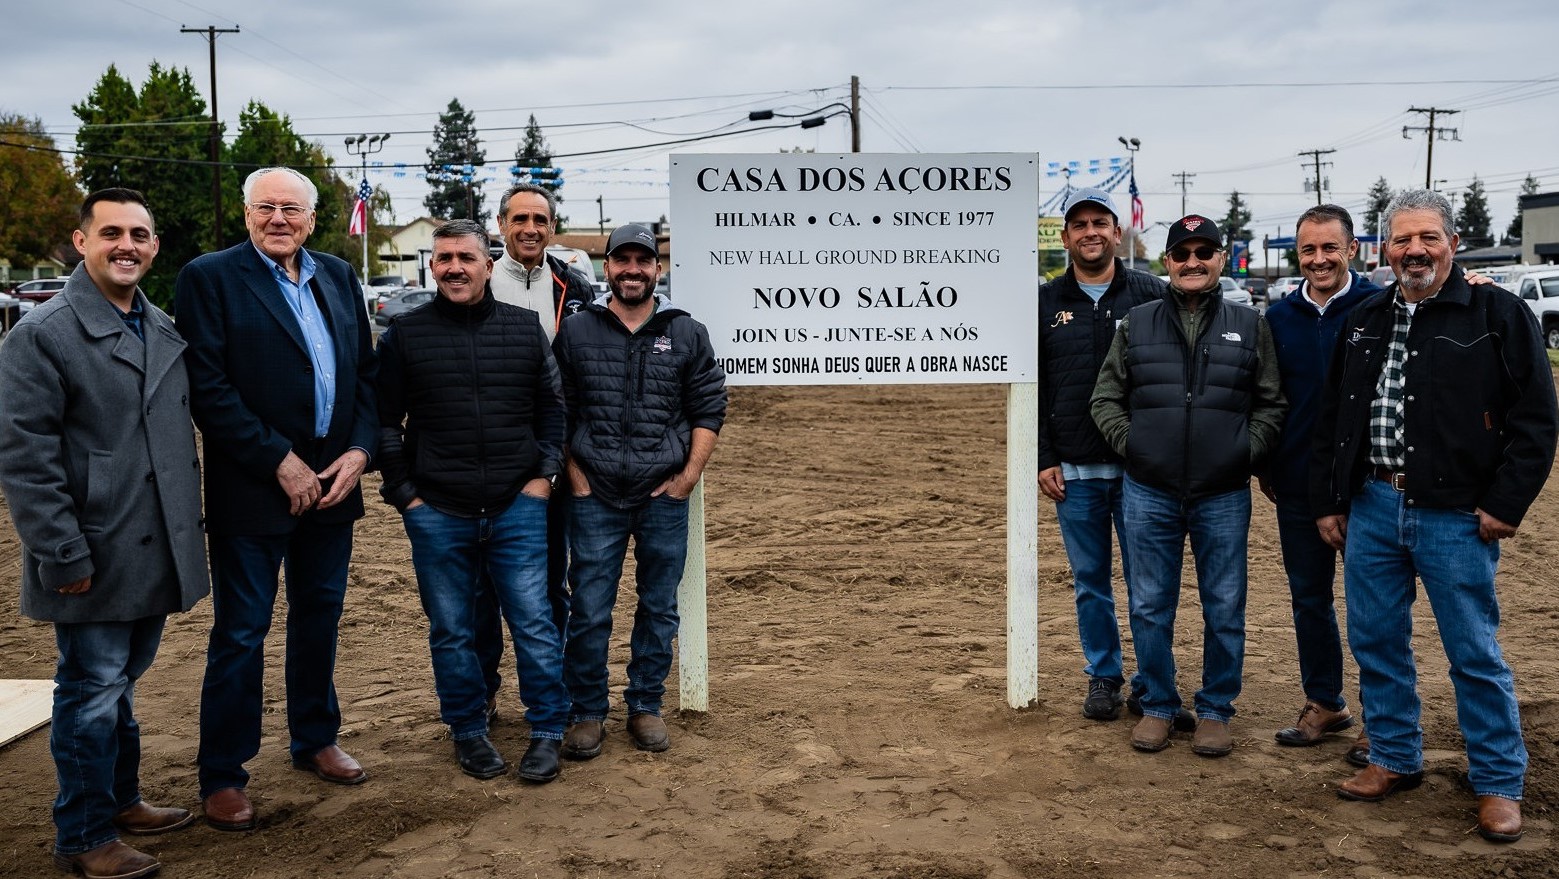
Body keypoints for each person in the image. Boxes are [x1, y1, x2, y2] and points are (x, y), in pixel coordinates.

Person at [1311, 189, 1558, 842]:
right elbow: (1340, 414)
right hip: (1372, 505)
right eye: (1401, 239)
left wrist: (1504, 504)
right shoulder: (1364, 317)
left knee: (1471, 651)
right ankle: (1393, 755)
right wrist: (1334, 500)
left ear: (1452, 242)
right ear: (1384, 248)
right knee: (1375, 640)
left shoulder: (1496, 312)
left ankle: (1499, 781)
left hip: (1456, 515)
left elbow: (1535, 418)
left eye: (1427, 237)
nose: (1414, 250)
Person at [0, 188, 209, 879]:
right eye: (112, 231)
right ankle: (83, 834)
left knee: (118, 685)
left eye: (140, 234)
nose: (128, 245)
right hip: (91, 549)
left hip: (153, 547)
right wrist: (62, 552)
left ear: (154, 246)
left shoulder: (162, 326)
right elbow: (25, 458)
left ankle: (121, 799)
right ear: (80, 240)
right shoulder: (43, 334)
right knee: (89, 690)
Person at [174, 167, 379, 832]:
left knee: (319, 615)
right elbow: (206, 386)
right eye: (266, 208)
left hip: (334, 485)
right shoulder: (209, 278)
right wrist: (278, 459)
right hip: (254, 487)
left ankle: (315, 737)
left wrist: (358, 451)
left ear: (312, 220)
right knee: (242, 631)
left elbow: (365, 375)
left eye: (291, 209)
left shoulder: (339, 278)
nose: (278, 219)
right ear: (246, 214)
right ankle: (223, 774)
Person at [375, 220, 569, 783]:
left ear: (489, 264)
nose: (454, 267)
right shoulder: (405, 335)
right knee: (453, 628)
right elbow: (386, 421)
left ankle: (547, 732)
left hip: (518, 506)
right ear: (431, 268)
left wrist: (543, 479)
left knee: (534, 621)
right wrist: (406, 494)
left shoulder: (525, 327)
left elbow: (551, 411)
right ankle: (468, 730)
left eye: (466, 257)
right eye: (444, 259)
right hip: (437, 510)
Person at [1090, 214, 1285, 757]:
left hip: (1222, 493)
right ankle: (1158, 704)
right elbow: (1104, 398)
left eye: (1205, 252)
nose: (1193, 262)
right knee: (1150, 604)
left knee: (1224, 605)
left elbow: (1271, 402)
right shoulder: (1137, 322)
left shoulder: (1250, 325)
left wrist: (1244, 451)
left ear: (1221, 258)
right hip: (1148, 490)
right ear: (1168, 262)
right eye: (1182, 253)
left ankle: (1216, 709)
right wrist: (1137, 445)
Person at [553, 223, 727, 758]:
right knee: (590, 607)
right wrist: (575, 475)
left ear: (656, 268)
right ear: (607, 268)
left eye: (642, 261)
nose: (632, 270)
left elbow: (709, 408)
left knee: (657, 607)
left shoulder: (686, 331)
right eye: (621, 260)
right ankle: (587, 712)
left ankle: (645, 705)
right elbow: (558, 408)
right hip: (594, 496)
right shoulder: (579, 331)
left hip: (662, 498)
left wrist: (687, 478)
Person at [1036, 188, 1187, 728]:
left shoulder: (1151, 293)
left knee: (1150, 582)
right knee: (1091, 581)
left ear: (1117, 231)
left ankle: (1151, 682)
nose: (1091, 232)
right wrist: (1044, 456)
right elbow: (1038, 386)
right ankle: (1104, 674)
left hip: (1141, 471)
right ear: (1066, 237)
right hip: (1073, 473)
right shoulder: (1047, 301)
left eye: (1101, 222)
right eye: (1080, 225)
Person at [1259, 205, 1380, 757]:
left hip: (1367, 486)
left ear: (1351, 249)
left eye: (1330, 248)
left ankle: (1383, 719)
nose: (1319, 259)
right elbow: (1267, 400)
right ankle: (1325, 701)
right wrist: (1270, 468)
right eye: (1309, 250)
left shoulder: (1381, 307)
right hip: (1300, 487)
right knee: (1310, 598)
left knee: (1375, 603)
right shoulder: (1278, 319)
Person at [474, 183, 596, 721]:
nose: (529, 228)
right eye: (518, 218)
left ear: (552, 227)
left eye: (540, 220)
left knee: (550, 586)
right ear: (500, 225)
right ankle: (482, 691)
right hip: (481, 460)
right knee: (481, 593)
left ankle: (553, 693)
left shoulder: (576, 289)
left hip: (555, 461)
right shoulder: (474, 282)